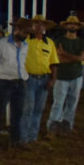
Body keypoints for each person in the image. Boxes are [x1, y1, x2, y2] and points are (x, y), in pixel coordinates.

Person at [0, 19, 31, 152]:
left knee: (17, 112)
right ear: (17, 30)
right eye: (25, 32)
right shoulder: (2, 44)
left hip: (19, 80)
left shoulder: (25, 45)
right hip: (4, 80)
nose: (26, 35)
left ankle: (15, 140)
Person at [21, 15, 59, 146]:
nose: (38, 26)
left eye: (41, 24)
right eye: (36, 23)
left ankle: (33, 137)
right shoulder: (25, 40)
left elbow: (53, 63)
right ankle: (24, 138)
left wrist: (53, 79)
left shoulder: (49, 43)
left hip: (44, 79)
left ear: (45, 27)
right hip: (29, 79)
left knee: (38, 109)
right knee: (28, 108)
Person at [47, 15, 84, 134]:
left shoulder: (81, 42)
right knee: (58, 102)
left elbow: (82, 58)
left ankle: (67, 124)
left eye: (75, 24)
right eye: (70, 24)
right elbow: (58, 59)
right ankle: (53, 125)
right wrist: (76, 59)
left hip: (76, 76)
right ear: (66, 26)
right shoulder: (58, 40)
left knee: (72, 101)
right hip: (61, 75)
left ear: (78, 27)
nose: (72, 26)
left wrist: (64, 53)